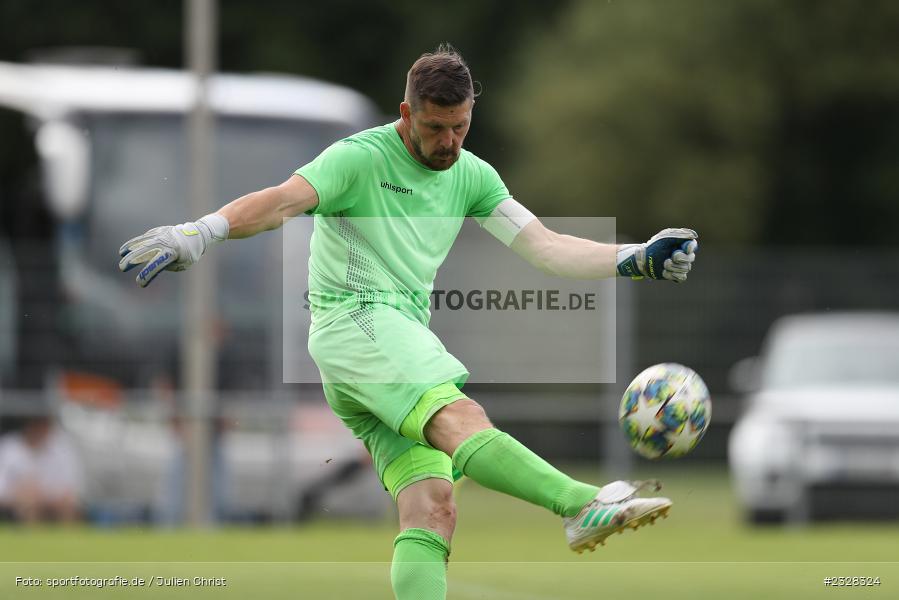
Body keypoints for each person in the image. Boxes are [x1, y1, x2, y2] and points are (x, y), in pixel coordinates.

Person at [118, 44, 698, 599]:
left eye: (460, 127)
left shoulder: (473, 175)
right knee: (459, 415)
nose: (448, 142)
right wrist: (202, 231)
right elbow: (281, 201)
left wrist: (637, 258)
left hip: (387, 347)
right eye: (435, 127)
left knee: (433, 507)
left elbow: (545, 247)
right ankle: (579, 504)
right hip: (357, 323)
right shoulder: (359, 158)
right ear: (406, 113)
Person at [0, 415, 84, 523]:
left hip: (51, 498)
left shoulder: (61, 447)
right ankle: (30, 536)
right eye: (38, 424)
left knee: (68, 504)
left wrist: (46, 495)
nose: (42, 429)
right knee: (29, 500)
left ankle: (69, 537)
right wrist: (21, 493)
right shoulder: (9, 447)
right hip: (17, 501)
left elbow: (70, 487)